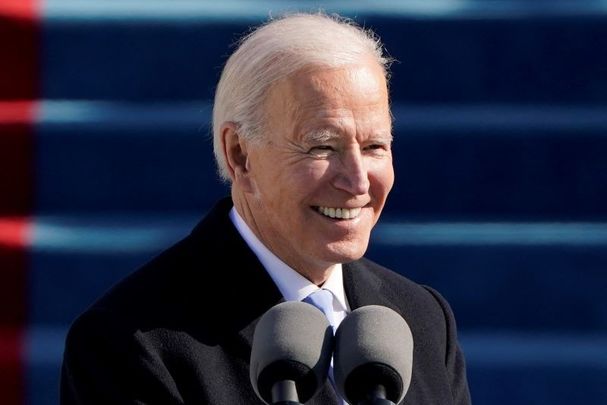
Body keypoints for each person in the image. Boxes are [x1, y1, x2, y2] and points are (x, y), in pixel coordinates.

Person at [60, 12, 471, 405]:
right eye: (322, 146)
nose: (358, 181)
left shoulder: (423, 319)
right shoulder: (128, 344)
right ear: (239, 155)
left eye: (374, 147)